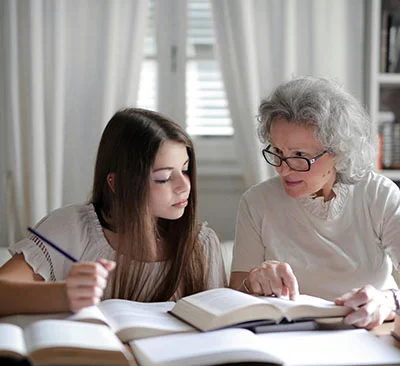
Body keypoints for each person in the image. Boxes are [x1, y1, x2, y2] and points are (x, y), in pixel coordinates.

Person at [0, 108, 226, 316]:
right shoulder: (72, 228)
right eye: (164, 178)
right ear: (117, 184)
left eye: (185, 170)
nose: (184, 186)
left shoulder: (202, 245)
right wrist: (64, 294)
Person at [230, 76, 400, 329]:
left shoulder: (379, 195)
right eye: (277, 152)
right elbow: (233, 295)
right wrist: (254, 283)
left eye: (300, 156)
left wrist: (387, 300)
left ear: (338, 153)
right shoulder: (257, 202)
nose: (283, 170)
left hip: (369, 333)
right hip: (288, 336)